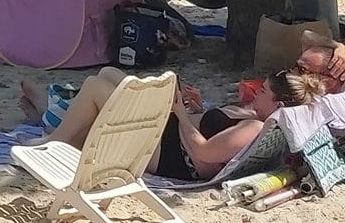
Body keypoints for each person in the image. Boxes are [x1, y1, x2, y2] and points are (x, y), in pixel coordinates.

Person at [22, 67, 326, 182]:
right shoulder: (254, 116)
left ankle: (55, 139)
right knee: (110, 74)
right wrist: (197, 107)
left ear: (279, 104)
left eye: (263, 92)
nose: (256, 92)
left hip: (167, 153)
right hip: (167, 131)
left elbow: (204, 154)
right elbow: (211, 130)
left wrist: (180, 113)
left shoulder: (255, 128)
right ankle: (51, 124)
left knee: (96, 86)